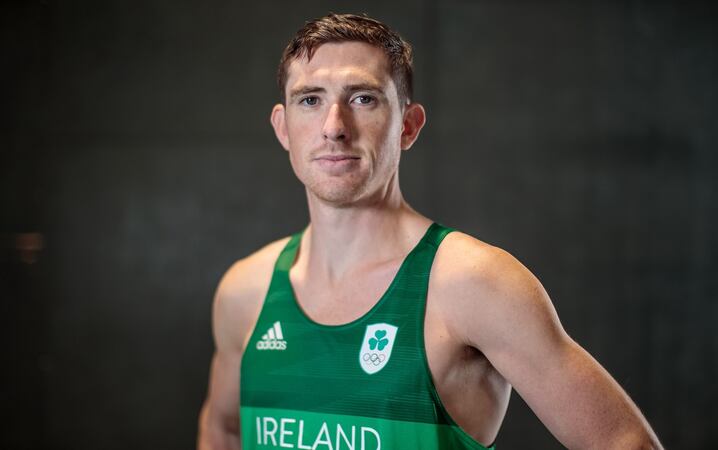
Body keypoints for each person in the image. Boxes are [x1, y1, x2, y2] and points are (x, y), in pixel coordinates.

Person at [197, 13, 661, 450]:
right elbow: (222, 430)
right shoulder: (246, 291)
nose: (334, 127)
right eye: (310, 99)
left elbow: (625, 442)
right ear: (283, 128)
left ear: (408, 126)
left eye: (363, 98)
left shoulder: (472, 283)